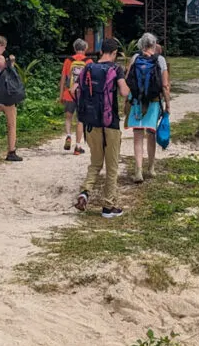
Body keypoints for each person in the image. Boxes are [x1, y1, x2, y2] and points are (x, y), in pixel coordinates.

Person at [74, 38, 131, 218]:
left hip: (91, 124)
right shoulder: (116, 69)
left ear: (100, 51)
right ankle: (108, 206)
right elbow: (124, 92)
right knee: (112, 166)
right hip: (110, 123)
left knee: (96, 163)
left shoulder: (88, 68)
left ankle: (85, 192)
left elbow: (74, 88)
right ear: (114, 53)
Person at [126, 32, 170, 184]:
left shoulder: (135, 58)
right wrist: (168, 105)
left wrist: (127, 100)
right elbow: (164, 85)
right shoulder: (161, 60)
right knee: (151, 133)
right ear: (154, 44)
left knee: (138, 136)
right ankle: (151, 168)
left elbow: (128, 80)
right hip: (153, 102)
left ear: (141, 44)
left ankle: (138, 171)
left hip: (137, 102)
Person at [59, 39, 91, 155]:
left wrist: (61, 94)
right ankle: (77, 146)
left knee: (68, 117)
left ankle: (68, 135)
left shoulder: (68, 60)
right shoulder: (88, 61)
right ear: (85, 48)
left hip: (69, 93)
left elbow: (63, 78)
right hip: (82, 95)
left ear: (74, 48)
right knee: (80, 120)